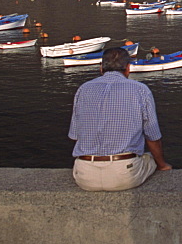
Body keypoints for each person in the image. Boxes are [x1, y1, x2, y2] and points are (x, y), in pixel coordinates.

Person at [68, 47, 171, 191]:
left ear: (101, 68)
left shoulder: (83, 89)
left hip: (85, 176)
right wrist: (162, 165)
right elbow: (152, 136)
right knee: (150, 158)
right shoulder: (140, 90)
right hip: (124, 173)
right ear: (128, 68)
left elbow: (74, 135)